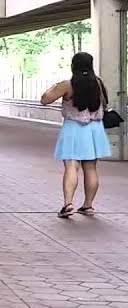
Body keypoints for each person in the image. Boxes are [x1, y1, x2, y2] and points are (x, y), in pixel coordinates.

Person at [41, 52, 112, 218]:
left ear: (73, 65)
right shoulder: (99, 83)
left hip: (73, 128)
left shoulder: (67, 84)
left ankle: (68, 204)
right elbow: (105, 103)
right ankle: (88, 206)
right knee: (91, 168)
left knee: (71, 166)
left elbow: (45, 99)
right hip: (95, 128)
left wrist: (54, 87)